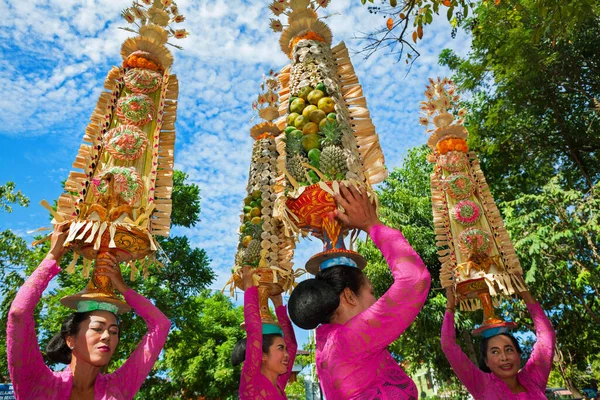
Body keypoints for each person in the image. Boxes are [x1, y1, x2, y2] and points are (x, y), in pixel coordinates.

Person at [288, 184, 431, 399]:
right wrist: (371, 225)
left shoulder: (328, 345)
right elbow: (415, 280)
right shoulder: (350, 340)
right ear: (348, 296)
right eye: (371, 292)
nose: (376, 299)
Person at [7, 224, 171, 400]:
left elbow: (161, 326)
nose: (107, 336)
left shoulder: (119, 387)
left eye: (114, 331)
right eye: (98, 328)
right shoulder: (38, 384)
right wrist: (53, 257)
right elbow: (19, 313)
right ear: (70, 339)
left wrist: (123, 288)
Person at [441, 287, 556, 399]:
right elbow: (448, 346)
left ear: (518, 354)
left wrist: (524, 292)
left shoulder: (533, 379)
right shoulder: (481, 384)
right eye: (495, 352)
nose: (504, 357)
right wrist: (450, 306)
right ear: (486, 361)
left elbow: (547, 336)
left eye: (509, 349)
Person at [232, 266, 298, 399]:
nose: (286, 355)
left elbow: (292, 345)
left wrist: (279, 306)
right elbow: (254, 331)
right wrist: (249, 285)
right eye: (280, 348)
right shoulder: (252, 382)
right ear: (262, 356)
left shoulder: (279, 383)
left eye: (284, 349)